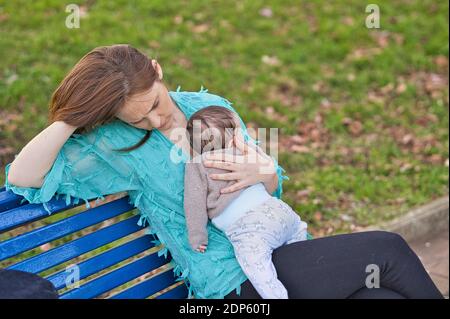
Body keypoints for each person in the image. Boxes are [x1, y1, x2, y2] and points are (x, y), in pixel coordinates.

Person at [3, 44, 443, 299]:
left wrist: (267, 172)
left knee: (381, 295)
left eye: (154, 104)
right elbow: (22, 178)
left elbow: (269, 184)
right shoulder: (115, 149)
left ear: (157, 71)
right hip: (231, 289)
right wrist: (74, 117)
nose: (155, 122)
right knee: (387, 250)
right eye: (136, 118)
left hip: (276, 252)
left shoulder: (208, 109)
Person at [183, 106, 308, 299]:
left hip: (249, 228)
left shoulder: (197, 164)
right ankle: (301, 254)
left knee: (256, 266)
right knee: (297, 229)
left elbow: (194, 204)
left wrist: (198, 237)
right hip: (280, 211)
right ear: (235, 136)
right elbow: (266, 167)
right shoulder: (245, 149)